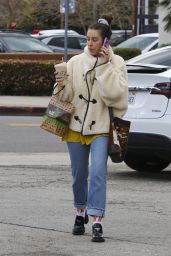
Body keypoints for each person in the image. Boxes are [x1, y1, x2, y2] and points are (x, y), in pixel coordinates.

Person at [54, 13, 128, 242]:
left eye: (95, 39)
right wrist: (61, 84)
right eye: (88, 39)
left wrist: (105, 67)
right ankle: (80, 213)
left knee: (98, 173)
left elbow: (118, 99)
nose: (90, 43)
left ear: (106, 41)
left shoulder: (117, 63)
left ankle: (96, 221)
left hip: (100, 128)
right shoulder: (75, 63)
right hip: (74, 127)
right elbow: (65, 99)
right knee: (78, 175)